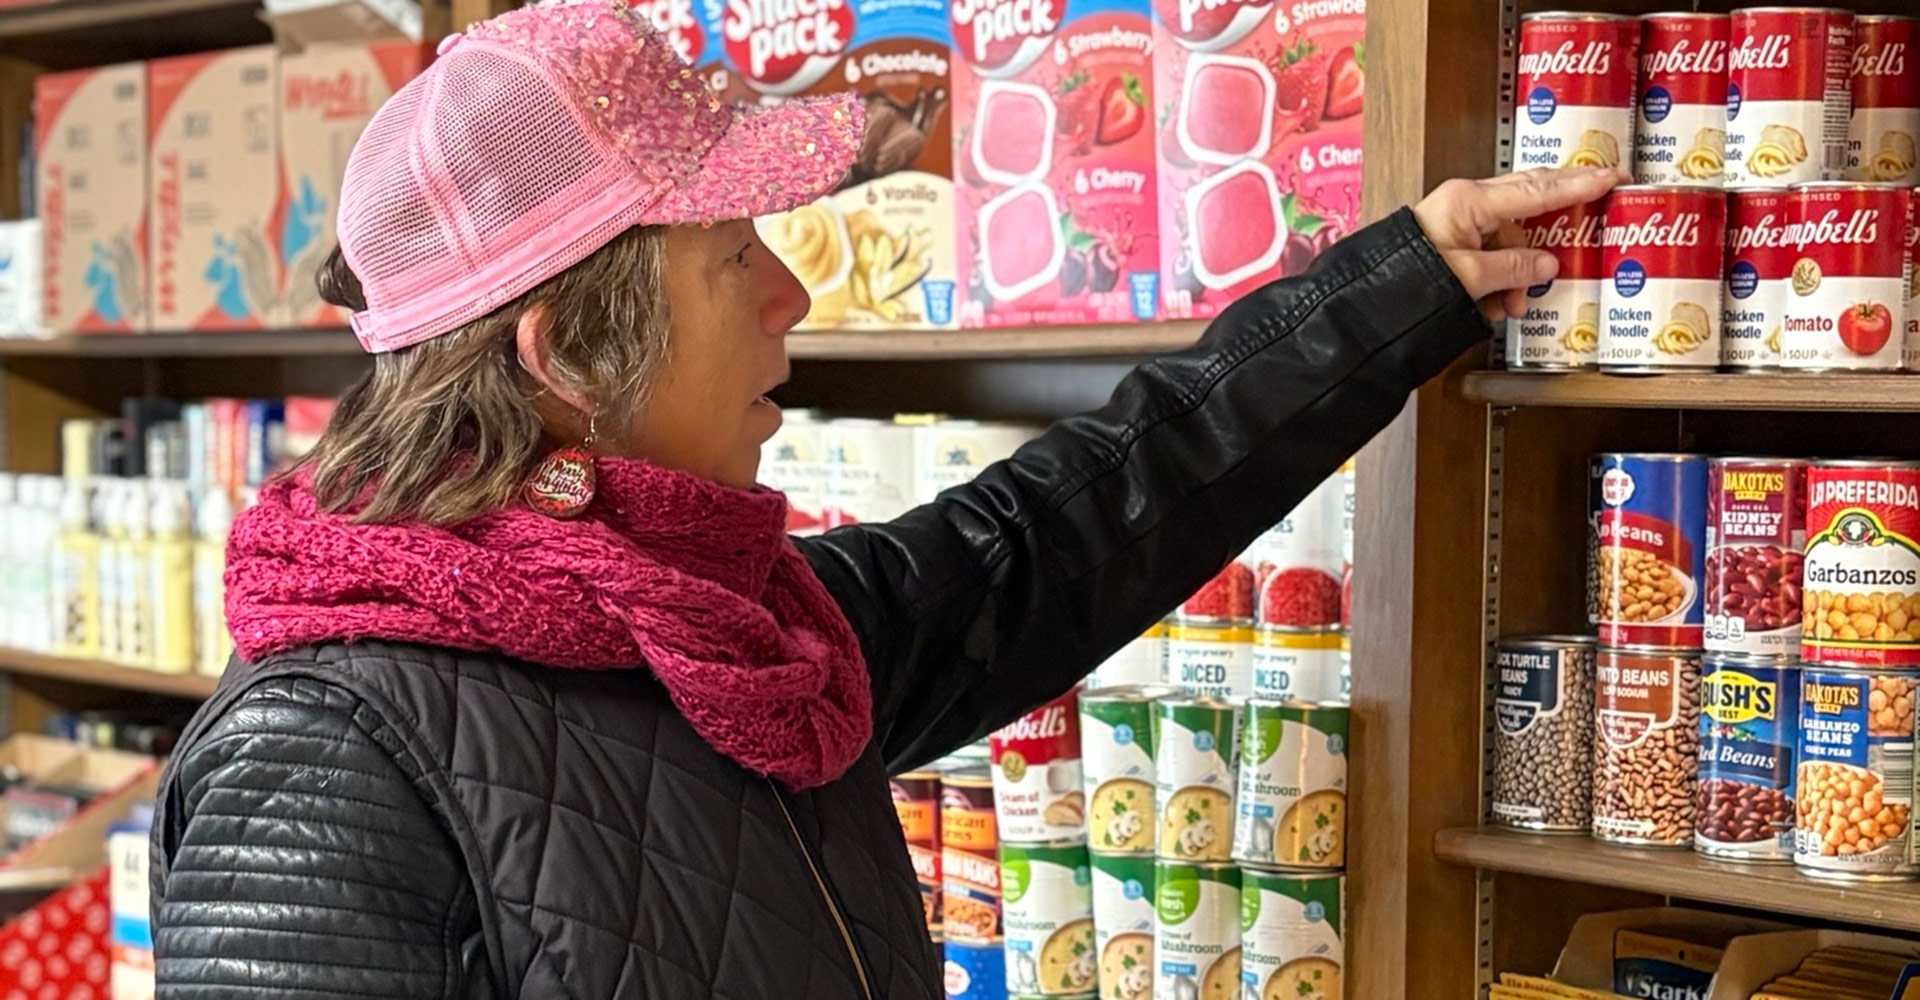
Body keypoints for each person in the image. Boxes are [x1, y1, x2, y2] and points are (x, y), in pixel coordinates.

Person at [147, 2, 1615, 997]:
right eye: (735, 256)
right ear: (567, 357)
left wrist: (1399, 286)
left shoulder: (742, 629)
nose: (794, 293)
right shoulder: (323, 757)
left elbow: (1068, 529)